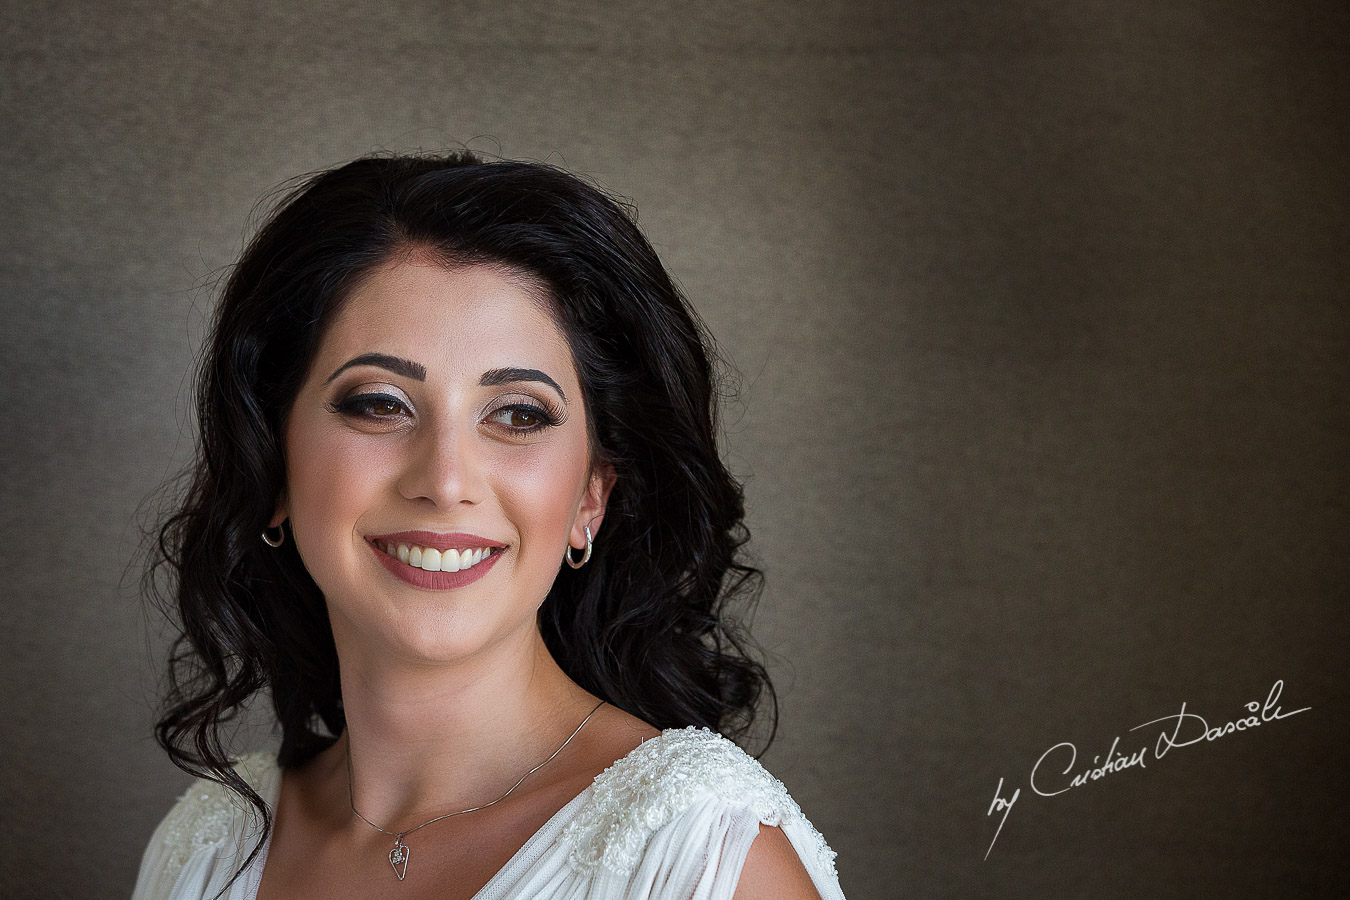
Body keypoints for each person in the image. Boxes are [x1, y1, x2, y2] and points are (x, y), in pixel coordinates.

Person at [132, 152, 846, 900]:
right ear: (271, 463)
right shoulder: (206, 850)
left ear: (590, 497)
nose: (444, 482)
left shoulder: (700, 859)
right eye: (379, 403)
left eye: (517, 415)